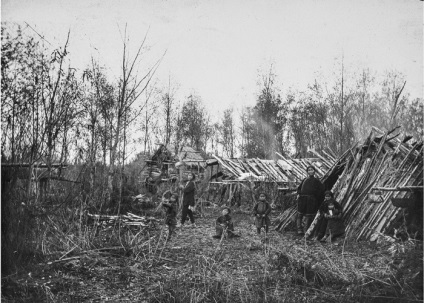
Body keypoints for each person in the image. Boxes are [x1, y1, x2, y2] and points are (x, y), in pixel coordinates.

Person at [296, 165, 325, 236]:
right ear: (307, 172)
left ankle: (306, 230)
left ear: (314, 171)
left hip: (311, 200)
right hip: (302, 200)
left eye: (312, 170)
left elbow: (321, 190)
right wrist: (299, 194)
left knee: (308, 216)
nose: (310, 171)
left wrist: (315, 198)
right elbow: (299, 188)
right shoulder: (304, 180)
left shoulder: (317, 181)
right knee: (299, 215)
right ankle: (299, 229)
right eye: (309, 170)